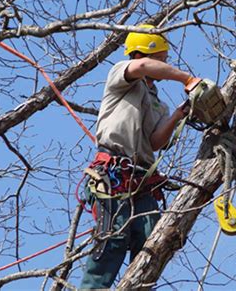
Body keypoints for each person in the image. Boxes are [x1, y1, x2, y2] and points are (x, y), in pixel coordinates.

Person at [80, 24, 199, 289]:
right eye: (162, 60)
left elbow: (156, 141)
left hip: (141, 182)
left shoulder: (158, 102)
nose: (165, 65)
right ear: (144, 54)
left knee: (152, 244)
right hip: (112, 175)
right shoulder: (120, 76)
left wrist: (179, 114)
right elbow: (142, 68)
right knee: (112, 241)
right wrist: (186, 79)